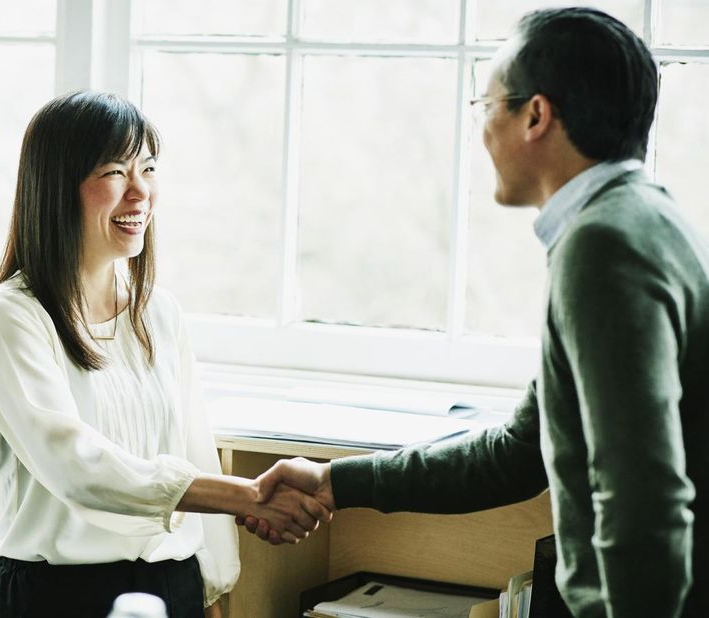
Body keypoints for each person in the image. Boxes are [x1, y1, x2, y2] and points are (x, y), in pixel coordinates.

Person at [242, 8, 709, 617]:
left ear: (536, 116)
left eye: (486, 107)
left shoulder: (604, 247)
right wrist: (335, 482)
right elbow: (518, 454)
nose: (482, 130)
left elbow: (642, 496)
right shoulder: (642, 218)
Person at [0, 90, 331, 618]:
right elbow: (77, 467)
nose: (140, 193)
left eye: (149, 168)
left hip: (174, 583)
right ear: (55, 188)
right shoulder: (10, 318)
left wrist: (211, 587)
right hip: (59, 597)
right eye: (115, 172)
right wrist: (247, 496)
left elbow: (193, 446)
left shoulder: (159, 313)